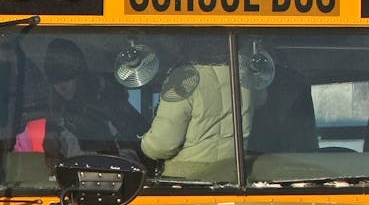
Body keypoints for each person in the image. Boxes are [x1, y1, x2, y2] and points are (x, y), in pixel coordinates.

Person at [140, 43, 264, 181]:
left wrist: (144, 144)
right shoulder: (247, 79)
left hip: (188, 178)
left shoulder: (184, 79)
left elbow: (162, 145)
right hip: (233, 174)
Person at [15, 38, 145, 166]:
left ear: (79, 75)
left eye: (67, 78)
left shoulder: (111, 104)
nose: (62, 87)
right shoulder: (55, 115)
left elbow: (136, 141)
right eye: (55, 81)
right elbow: (51, 158)